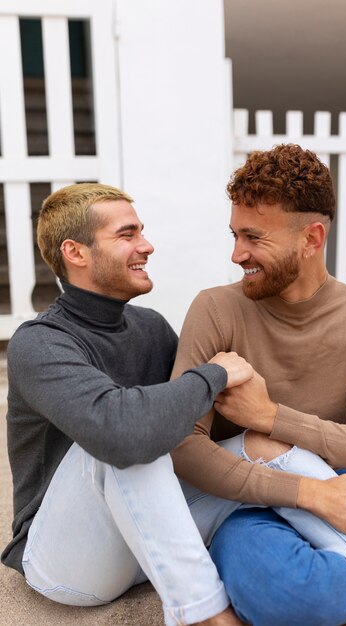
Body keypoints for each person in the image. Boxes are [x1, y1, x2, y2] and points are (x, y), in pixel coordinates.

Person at [170, 144, 346, 626]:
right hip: (250, 502)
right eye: (234, 234)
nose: (236, 253)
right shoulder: (215, 310)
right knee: (290, 594)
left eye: (253, 237)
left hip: (343, 488)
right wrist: (303, 490)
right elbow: (183, 445)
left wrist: (271, 417)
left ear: (312, 238)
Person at [1, 182, 255, 626]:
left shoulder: (151, 327)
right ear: (75, 253)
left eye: (142, 232)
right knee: (123, 438)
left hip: (141, 540)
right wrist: (213, 374)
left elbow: (203, 423)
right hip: (66, 564)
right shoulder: (38, 343)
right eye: (127, 234)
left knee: (265, 452)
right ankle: (208, 617)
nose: (147, 245)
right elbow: (123, 433)